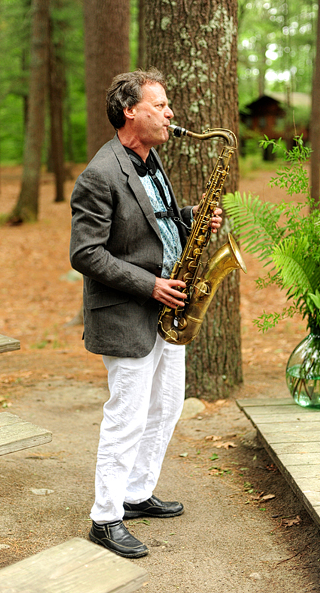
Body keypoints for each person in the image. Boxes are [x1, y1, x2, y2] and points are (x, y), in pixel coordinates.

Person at [69, 68, 221, 558]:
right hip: (129, 312)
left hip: (167, 311)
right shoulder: (100, 173)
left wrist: (196, 217)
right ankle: (105, 517)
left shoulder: (150, 161)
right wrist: (151, 285)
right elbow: (85, 254)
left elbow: (153, 225)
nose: (171, 113)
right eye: (160, 105)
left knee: (167, 405)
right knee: (127, 416)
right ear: (130, 110)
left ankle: (136, 492)